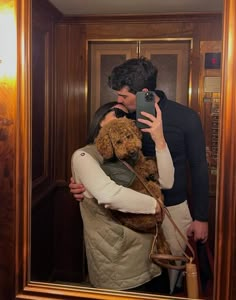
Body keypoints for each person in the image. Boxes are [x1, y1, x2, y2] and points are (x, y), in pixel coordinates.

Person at [70, 57, 209, 293]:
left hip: (174, 208)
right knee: (144, 275)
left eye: (123, 96)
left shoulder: (186, 118)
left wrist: (201, 217)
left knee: (173, 274)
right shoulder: (120, 117)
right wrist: (80, 185)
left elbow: (199, 167)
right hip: (131, 212)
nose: (118, 100)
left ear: (144, 91)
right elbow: (101, 159)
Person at [71, 101, 175, 291]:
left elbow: (167, 182)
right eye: (119, 113)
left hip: (151, 255)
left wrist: (159, 140)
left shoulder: (129, 152)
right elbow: (108, 194)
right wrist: (155, 205)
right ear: (100, 120)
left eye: (128, 116)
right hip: (119, 263)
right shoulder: (83, 155)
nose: (125, 118)